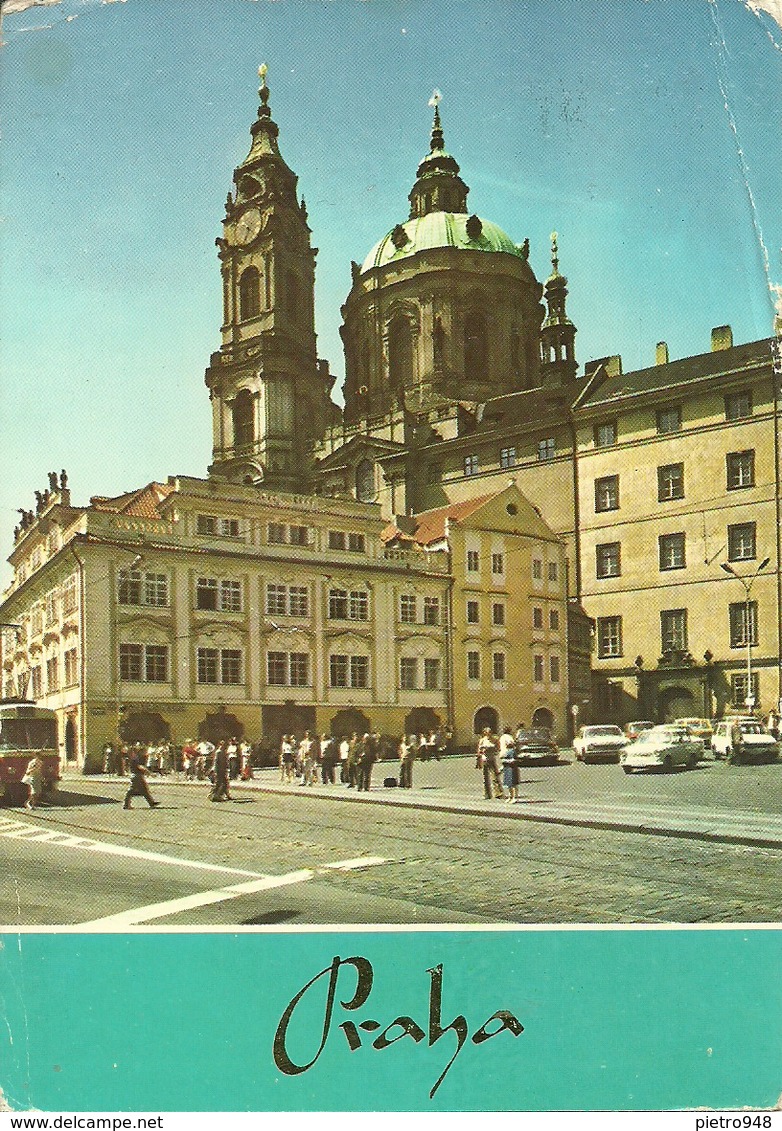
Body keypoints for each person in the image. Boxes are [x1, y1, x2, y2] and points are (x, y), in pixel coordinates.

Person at [477, 727, 505, 800]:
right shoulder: (482, 740)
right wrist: (480, 757)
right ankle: (487, 794)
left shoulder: (494, 740)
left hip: (492, 759)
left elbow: (498, 748)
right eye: (487, 732)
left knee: (495, 777)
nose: (488, 734)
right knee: (485, 778)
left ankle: (498, 793)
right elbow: (479, 751)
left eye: (490, 732)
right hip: (484, 760)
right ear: (484, 733)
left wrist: (494, 749)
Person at [499, 726, 519, 803]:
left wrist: (506, 761)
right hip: (507, 767)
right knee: (508, 783)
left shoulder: (512, 751)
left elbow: (514, 759)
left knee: (512, 783)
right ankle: (511, 796)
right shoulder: (508, 750)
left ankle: (514, 797)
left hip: (511, 768)